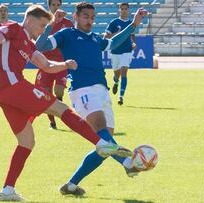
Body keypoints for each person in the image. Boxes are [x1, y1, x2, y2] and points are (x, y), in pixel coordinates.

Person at [0, 5, 131, 201]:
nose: (42, 30)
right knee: (60, 108)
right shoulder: (14, 28)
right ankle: (101, 144)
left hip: (3, 93)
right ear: (30, 19)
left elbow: (47, 65)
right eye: (42, 25)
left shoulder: (28, 43)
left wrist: (65, 65)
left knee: (27, 142)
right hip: (12, 85)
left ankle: (7, 190)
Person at [36, 2, 148, 195]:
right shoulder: (67, 34)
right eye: (85, 16)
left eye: (92, 17)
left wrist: (134, 25)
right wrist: (52, 23)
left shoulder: (96, 39)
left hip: (103, 92)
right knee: (103, 136)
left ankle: (70, 185)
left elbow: (114, 43)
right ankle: (128, 163)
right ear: (76, 16)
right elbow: (41, 46)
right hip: (81, 91)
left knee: (104, 147)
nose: (90, 20)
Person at [34, 0, 74, 130]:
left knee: (59, 90)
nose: (56, 7)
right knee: (45, 93)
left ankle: (63, 115)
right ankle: (52, 122)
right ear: (49, 6)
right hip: (45, 62)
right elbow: (37, 42)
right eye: (53, 5)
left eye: (58, 5)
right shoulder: (43, 23)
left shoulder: (67, 23)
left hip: (61, 62)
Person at [104, 2, 136, 105]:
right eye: (122, 9)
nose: (124, 10)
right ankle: (116, 82)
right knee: (116, 74)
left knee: (124, 73)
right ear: (119, 10)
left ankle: (121, 97)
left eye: (126, 9)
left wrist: (134, 43)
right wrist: (116, 34)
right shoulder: (114, 22)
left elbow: (132, 35)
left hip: (127, 51)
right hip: (115, 51)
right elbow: (106, 37)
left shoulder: (131, 23)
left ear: (128, 10)